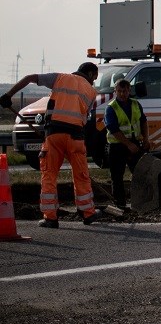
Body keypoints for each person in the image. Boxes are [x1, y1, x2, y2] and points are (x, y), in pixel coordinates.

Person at [0, 62, 106, 227]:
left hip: (54, 135)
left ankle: (50, 217)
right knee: (81, 176)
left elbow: (29, 78)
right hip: (76, 137)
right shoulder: (92, 92)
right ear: (91, 74)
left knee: (49, 175)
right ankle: (88, 213)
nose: (94, 81)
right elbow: (84, 118)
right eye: (95, 77)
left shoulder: (60, 78)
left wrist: (8, 95)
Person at [103, 78, 151, 214]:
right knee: (117, 177)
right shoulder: (111, 108)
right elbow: (113, 129)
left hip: (135, 144)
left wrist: (146, 139)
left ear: (129, 91)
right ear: (115, 91)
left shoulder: (136, 104)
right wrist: (128, 144)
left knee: (140, 174)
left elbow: (143, 121)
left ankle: (142, 203)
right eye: (120, 91)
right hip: (117, 146)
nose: (123, 94)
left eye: (125, 91)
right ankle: (120, 206)